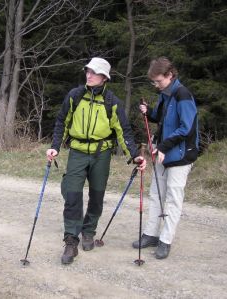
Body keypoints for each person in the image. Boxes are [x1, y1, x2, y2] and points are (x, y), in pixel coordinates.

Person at [46, 57, 146, 265]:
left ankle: (89, 231)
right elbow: (61, 122)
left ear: (104, 78)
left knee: (97, 195)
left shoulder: (112, 102)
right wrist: (55, 146)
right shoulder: (75, 96)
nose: (89, 75)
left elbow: (123, 132)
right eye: (88, 71)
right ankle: (71, 240)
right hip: (77, 152)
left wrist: (134, 154)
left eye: (94, 72)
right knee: (72, 192)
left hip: (102, 154)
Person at [132, 57, 199, 259]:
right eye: (153, 82)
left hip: (180, 155)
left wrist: (163, 146)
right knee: (156, 193)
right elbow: (161, 119)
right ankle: (151, 234)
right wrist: (148, 112)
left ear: (170, 75)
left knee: (172, 198)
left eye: (158, 81)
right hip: (162, 152)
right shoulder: (165, 94)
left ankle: (165, 240)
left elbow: (186, 128)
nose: (156, 85)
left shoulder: (183, 95)